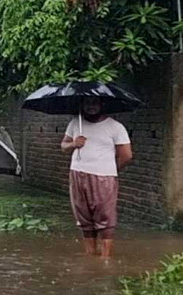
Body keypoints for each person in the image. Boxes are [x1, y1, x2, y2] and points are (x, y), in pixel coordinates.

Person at [60, 97, 133, 258]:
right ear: (82, 105)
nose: (91, 107)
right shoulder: (75, 123)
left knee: (105, 216)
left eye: (94, 103)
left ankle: (105, 258)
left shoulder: (115, 127)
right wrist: (73, 144)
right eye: (87, 103)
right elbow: (63, 145)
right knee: (83, 216)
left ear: (101, 105)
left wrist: (111, 169)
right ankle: (90, 255)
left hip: (104, 176)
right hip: (77, 173)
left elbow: (126, 155)